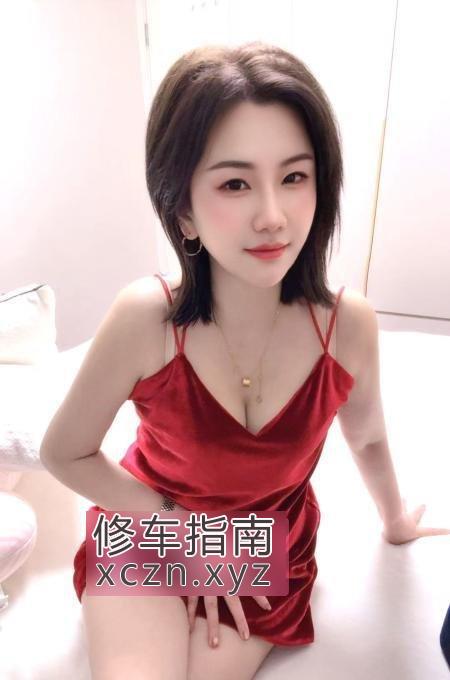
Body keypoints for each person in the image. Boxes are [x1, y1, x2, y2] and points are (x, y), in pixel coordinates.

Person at [40, 40, 450, 680]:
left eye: (294, 177)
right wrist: (183, 536)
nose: (272, 216)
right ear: (183, 209)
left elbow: (368, 436)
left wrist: (395, 521)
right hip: (151, 523)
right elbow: (64, 452)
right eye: (235, 183)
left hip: (261, 544)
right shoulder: (148, 317)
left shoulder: (346, 326)